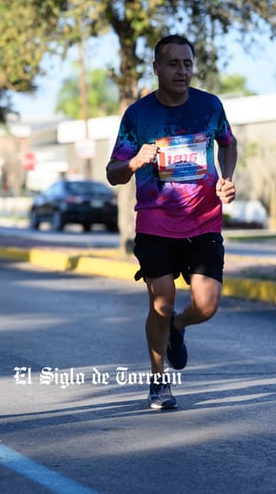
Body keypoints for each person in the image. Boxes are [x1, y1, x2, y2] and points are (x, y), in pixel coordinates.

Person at [106, 34, 238, 410]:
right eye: (173, 63)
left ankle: (178, 329)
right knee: (161, 302)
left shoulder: (210, 106)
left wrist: (227, 178)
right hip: (155, 225)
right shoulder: (138, 116)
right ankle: (158, 380)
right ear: (157, 68)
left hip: (204, 223)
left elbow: (228, 143)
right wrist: (133, 162)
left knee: (207, 306)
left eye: (187, 63)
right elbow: (113, 172)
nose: (182, 70)